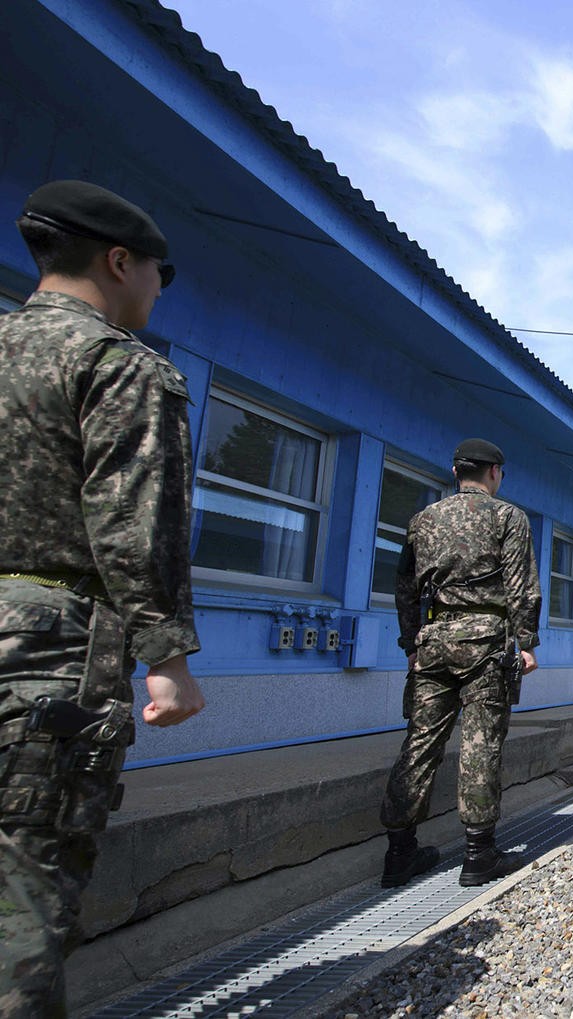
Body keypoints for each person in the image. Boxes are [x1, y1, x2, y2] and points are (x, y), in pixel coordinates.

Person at [0, 180, 207, 1017]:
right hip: (52, 649)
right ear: (119, 262)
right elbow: (133, 523)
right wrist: (167, 659)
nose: (159, 288)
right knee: (22, 894)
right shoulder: (119, 365)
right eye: (159, 271)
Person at [379, 438, 539, 889]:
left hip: (433, 642)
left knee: (420, 742)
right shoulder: (508, 517)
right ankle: (478, 854)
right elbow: (521, 584)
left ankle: (399, 853)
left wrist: (411, 643)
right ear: (494, 472)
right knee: (481, 743)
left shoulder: (422, 521)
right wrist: (527, 642)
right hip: (485, 641)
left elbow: (405, 588)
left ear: (456, 473)